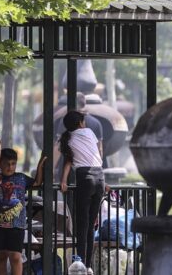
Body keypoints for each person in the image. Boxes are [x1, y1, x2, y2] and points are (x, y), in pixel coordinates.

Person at [58, 110, 106, 275]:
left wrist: (63, 181)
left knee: (82, 224)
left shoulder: (68, 138)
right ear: (80, 123)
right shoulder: (89, 133)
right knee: (91, 225)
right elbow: (97, 153)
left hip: (84, 178)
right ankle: (89, 266)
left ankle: (81, 265)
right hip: (100, 177)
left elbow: (68, 162)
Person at [0, 148, 36, 275]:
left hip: (17, 225)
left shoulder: (22, 178)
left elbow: (37, 182)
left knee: (16, 257)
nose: (10, 167)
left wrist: (42, 164)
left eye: (13, 164)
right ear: (0, 163)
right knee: (0, 256)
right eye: (7, 164)